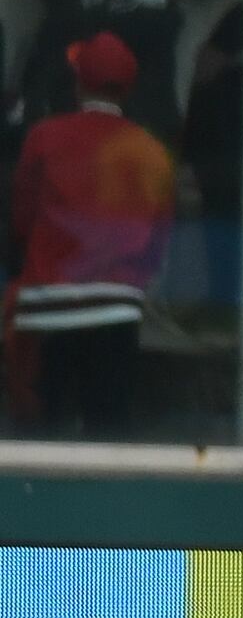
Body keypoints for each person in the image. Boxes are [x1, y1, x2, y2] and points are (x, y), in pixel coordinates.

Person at [8, 30, 169, 431]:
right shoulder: (150, 150)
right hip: (117, 309)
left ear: (78, 82)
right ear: (128, 90)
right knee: (109, 437)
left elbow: (21, 219)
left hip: (46, 306)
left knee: (40, 439)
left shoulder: (44, 136)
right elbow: (157, 242)